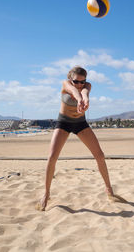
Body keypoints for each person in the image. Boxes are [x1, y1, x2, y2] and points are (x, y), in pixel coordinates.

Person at [38, 66, 124, 211]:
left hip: (80, 124)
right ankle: (46, 194)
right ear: (70, 80)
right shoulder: (66, 85)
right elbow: (73, 92)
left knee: (100, 156)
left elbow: (84, 92)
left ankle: (109, 190)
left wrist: (85, 98)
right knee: (52, 157)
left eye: (82, 81)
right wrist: (78, 99)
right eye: (76, 82)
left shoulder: (86, 86)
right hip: (63, 123)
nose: (79, 85)